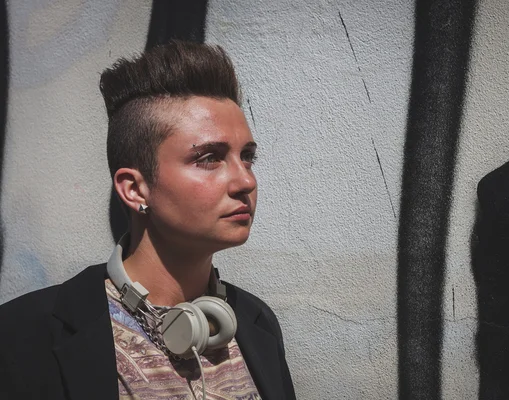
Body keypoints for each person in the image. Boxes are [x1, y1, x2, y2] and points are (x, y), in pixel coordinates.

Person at [0, 40, 296, 400]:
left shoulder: (254, 321)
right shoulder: (23, 334)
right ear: (135, 190)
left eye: (247, 157)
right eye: (209, 158)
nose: (246, 181)